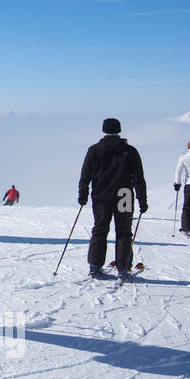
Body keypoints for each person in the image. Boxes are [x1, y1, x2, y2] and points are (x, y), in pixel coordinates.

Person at [78, 118, 147, 278]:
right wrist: (142, 200)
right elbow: (138, 178)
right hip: (124, 195)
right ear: (119, 130)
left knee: (100, 229)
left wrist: (83, 195)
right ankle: (123, 268)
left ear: (104, 130)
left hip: (101, 196)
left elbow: (85, 175)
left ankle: (95, 266)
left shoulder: (94, 150)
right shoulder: (130, 151)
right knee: (124, 232)